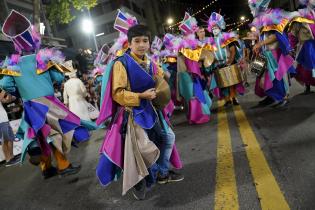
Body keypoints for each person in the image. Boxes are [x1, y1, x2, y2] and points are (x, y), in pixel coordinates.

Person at [95, 13, 183, 200]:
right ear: (129, 43)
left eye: (145, 41)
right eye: (137, 41)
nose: (142, 44)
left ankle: (160, 172)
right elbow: (117, 94)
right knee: (140, 150)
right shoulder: (121, 63)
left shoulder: (150, 62)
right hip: (131, 114)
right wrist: (140, 96)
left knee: (167, 137)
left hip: (151, 111)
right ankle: (139, 181)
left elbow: (161, 77)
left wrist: (164, 75)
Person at [0, 10, 89, 178]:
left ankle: (46, 168)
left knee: (41, 136)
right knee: (54, 133)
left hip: (29, 105)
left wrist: (21, 91)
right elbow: (58, 76)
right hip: (48, 103)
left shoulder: (13, 63)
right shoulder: (42, 58)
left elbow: (5, 84)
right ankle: (63, 166)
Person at [249, 1, 295, 107]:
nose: (251, 11)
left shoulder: (271, 18)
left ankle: (284, 97)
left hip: (274, 53)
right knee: (258, 75)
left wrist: (260, 44)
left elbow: (276, 36)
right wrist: (257, 43)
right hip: (264, 53)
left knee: (277, 77)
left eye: (252, 8)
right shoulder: (260, 20)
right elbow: (263, 37)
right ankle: (272, 97)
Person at [207, 12, 245, 106]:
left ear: (220, 28)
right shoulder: (210, 42)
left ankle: (234, 98)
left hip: (229, 62)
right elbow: (209, 54)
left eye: (216, 27)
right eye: (213, 28)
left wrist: (230, 61)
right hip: (218, 64)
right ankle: (227, 99)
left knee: (232, 82)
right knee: (223, 84)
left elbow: (232, 50)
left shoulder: (226, 37)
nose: (214, 29)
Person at [287, 0, 315, 94]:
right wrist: (291, 46)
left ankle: (309, 85)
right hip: (305, 45)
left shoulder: (313, 13)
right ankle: (307, 86)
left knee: (310, 66)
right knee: (306, 66)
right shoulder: (298, 18)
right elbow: (292, 34)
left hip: (312, 44)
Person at [0, 89, 20, 167]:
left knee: (10, 138)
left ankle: (12, 157)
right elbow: (1, 97)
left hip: (4, 119)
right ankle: (8, 159)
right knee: (4, 140)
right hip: (0, 121)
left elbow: (5, 100)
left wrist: (11, 97)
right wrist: (4, 88)